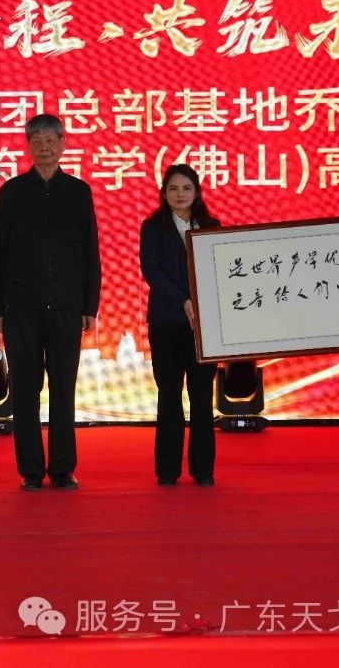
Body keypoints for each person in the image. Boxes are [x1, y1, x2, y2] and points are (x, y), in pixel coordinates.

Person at [0, 114, 101, 490]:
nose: (44, 148)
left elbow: (90, 251)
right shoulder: (12, 192)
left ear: (63, 144)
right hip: (21, 307)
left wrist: (90, 306)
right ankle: (31, 471)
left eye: (51, 140)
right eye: (36, 141)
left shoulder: (79, 192)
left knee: (63, 389)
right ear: (28, 147)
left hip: (67, 305)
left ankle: (63, 469)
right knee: (25, 390)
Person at [140, 165, 222, 487]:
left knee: (202, 396)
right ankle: (167, 471)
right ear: (164, 193)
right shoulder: (153, 228)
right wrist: (184, 301)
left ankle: (203, 470)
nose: (180, 194)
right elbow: (152, 271)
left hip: (204, 325)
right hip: (166, 322)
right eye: (173, 188)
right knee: (169, 395)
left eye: (186, 188)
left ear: (196, 192)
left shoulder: (212, 226)